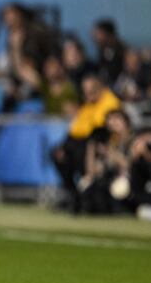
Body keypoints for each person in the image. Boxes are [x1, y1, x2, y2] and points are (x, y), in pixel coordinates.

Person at [52, 74, 121, 213]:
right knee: (58, 154)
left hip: (101, 143)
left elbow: (99, 129)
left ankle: (83, 197)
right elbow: (76, 128)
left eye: (91, 91)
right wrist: (63, 147)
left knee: (81, 152)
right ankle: (72, 195)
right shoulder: (89, 105)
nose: (87, 95)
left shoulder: (110, 102)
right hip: (82, 142)